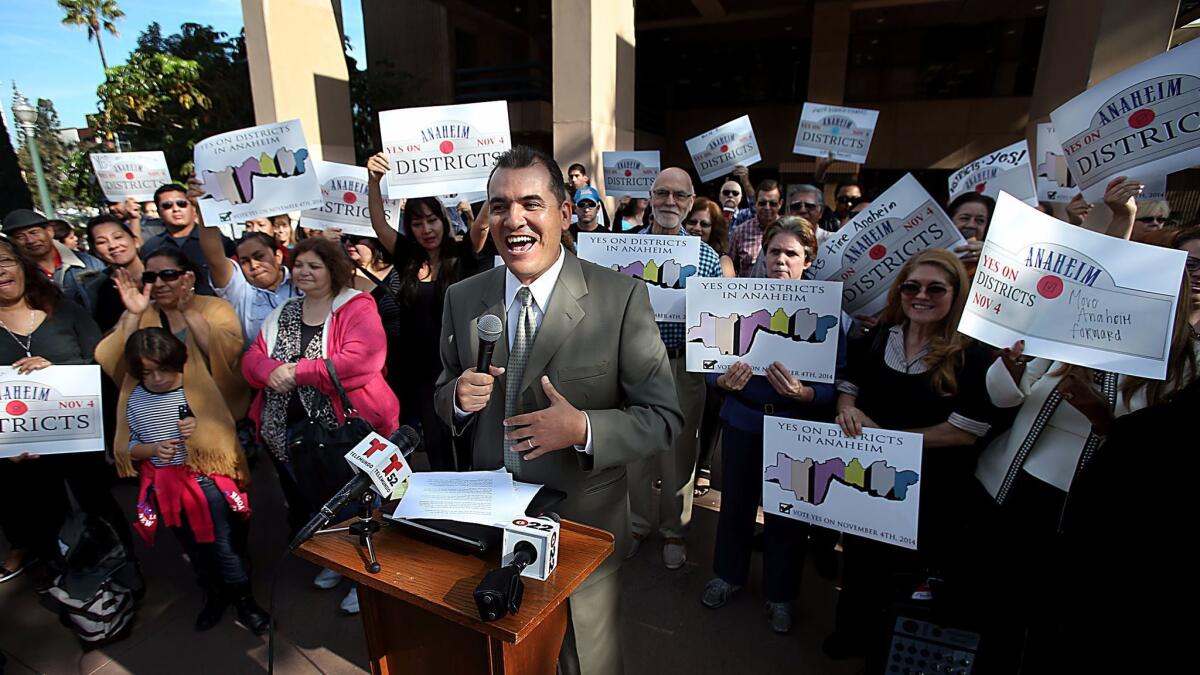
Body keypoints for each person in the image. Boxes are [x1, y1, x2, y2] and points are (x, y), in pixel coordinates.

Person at [435, 145, 683, 675]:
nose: (513, 219)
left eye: (531, 203)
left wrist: (584, 428)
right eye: (498, 206)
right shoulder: (462, 297)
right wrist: (456, 398)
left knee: (584, 664)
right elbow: (441, 386)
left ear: (565, 213)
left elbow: (664, 419)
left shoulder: (621, 298)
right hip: (489, 526)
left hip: (579, 532)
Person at [827, 248, 1000, 664]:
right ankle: (851, 631)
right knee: (860, 562)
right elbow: (849, 384)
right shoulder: (880, 335)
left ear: (956, 294)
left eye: (935, 288)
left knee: (908, 575)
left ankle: (890, 650)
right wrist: (846, 410)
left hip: (934, 491)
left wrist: (891, 440)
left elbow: (963, 432)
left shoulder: (972, 355)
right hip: (869, 483)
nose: (921, 295)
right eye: (912, 286)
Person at [241, 237, 398, 616]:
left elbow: (362, 361)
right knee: (317, 500)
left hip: (348, 430)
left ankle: (364, 575)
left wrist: (297, 372)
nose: (304, 272)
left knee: (361, 501)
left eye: (315, 265)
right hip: (294, 434)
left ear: (333, 269)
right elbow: (251, 360)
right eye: (299, 265)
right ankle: (337, 560)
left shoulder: (356, 306)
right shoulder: (284, 311)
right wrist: (271, 371)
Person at [700, 218, 841, 634]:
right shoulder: (737, 299)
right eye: (775, 251)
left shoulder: (826, 309)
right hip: (743, 418)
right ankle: (727, 576)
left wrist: (806, 394)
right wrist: (720, 382)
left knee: (787, 517)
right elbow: (711, 360)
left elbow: (835, 384)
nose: (781, 260)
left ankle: (780, 595)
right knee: (736, 508)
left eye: (791, 253)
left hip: (796, 428)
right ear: (763, 256)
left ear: (807, 260)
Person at [105, 327, 269, 634]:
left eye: (165, 369)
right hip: (166, 486)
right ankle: (213, 593)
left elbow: (222, 423)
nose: (157, 379)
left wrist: (201, 428)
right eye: (147, 372)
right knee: (193, 547)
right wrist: (152, 449)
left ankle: (244, 599)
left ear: (179, 362)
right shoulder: (134, 399)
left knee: (225, 544)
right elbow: (129, 447)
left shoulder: (195, 389)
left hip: (206, 482)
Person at [0, 239, 130, 584]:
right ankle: (72, 585)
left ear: (22, 265)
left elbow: (99, 360)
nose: (0, 271)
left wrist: (56, 370)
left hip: (78, 437)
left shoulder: (65, 310)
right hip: (22, 453)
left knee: (98, 506)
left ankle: (123, 572)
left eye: (5, 261)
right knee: (45, 517)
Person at [365, 152, 488, 471]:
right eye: (417, 222)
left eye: (431, 219)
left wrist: (493, 177)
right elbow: (379, 224)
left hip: (460, 364)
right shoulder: (406, 256)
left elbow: (485, 222)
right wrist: (374, 181)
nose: (426, 228)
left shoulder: (461, 253)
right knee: (435, 445)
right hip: (419, 371)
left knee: (469, 440)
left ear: (443, 220)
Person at [627, 167, 722, 570]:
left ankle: (673, 530)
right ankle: (634, 524)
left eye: (679, 196)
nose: (670, 202)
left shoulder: (707, 257)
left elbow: (717, 319)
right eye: (662, 193)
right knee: (632, 450)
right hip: (631, 365)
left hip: (683, 364)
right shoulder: (621, 247)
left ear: (690, 201)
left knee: (679, 451)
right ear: (650, 196)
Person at [105, 248, 250, 425]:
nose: (158, 284)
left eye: (168, 275)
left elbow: (226, 357)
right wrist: (134, 314)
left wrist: (189, 312)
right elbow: (118, 360)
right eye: (150, 277)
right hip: (159, 419)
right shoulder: (141, 312)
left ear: (187, 276)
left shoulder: (216, 307)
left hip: (211, 417)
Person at [193, 183, 302, 346]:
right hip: (261, 370)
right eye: (245, 261)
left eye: (260, 256)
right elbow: (214, 256)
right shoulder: (240, 290)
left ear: (278, 256)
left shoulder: (304, 280)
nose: (254, 265)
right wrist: (203, 208)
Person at [1, 208, 106, 313]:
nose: (30, 240)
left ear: (50, 231)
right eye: (20, 237)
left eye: (34, 233)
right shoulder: (18, 275)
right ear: (13, 241)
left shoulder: (88, 264)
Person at [140, 184, 235, 297]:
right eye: (167, 206)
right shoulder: (151, 247)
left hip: (215, 308)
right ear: (159, 212)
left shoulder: (217, 240)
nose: (176, 209)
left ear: (193, 207)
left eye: (182, 204)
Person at [80, 215, 146, 334]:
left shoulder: (162, 274)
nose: (113, 245)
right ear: (95, 251)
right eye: (101, 242)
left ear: (135, 240)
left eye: (118, 237)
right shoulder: (96, 290)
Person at [728, 179, 783, 276]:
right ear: (755, 203)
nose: (767, 208)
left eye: (772, 203)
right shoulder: (740, 232)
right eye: (762, 203)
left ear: (780, 204)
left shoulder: (790, 231)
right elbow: (729, 268)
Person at [683, 197, 735, 278]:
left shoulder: (723, 261)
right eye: (692, 222)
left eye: (704, 224)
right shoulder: (676, 252)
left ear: (714, 229)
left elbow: (726, 289)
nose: (697, 228)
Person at [946, 192, 995, 273]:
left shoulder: (994, 260)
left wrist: (989, 260)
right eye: (964, 218)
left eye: (980, 220)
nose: (971, 225)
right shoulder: (930, 256)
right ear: (950, 221)